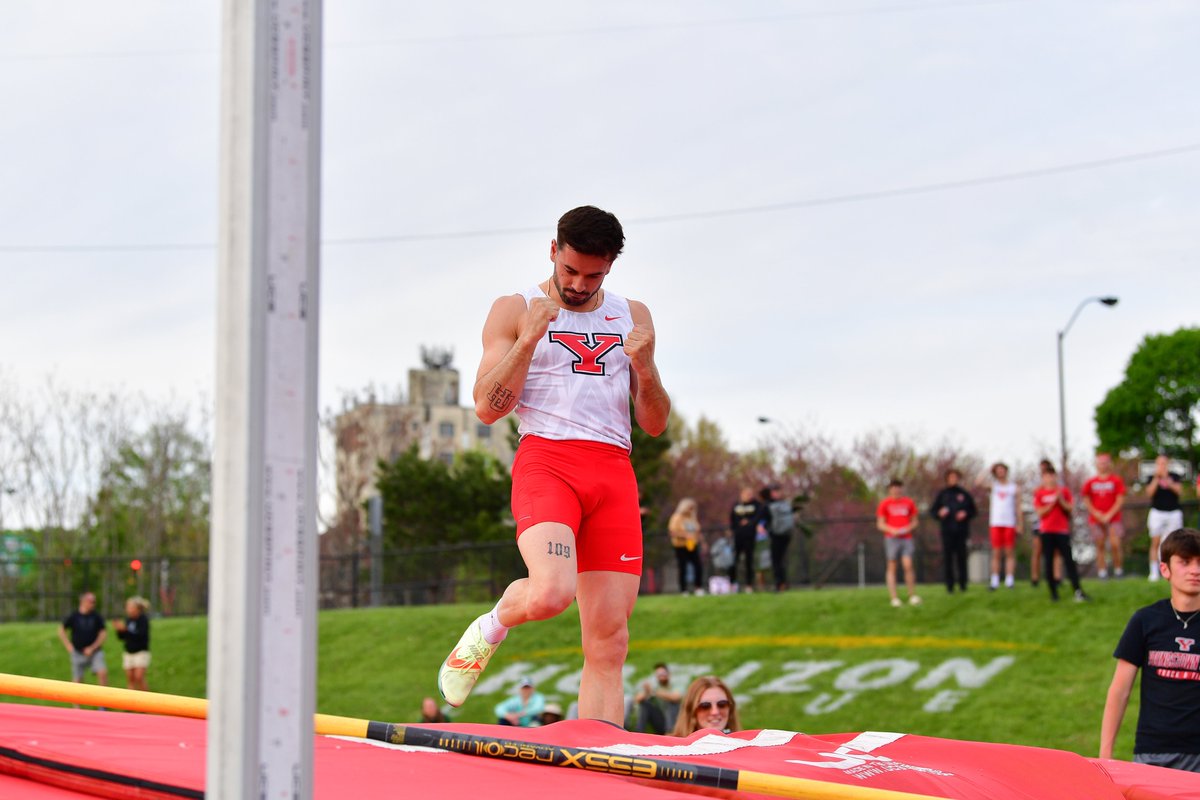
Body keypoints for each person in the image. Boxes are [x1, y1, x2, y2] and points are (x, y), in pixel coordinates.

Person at [436, 206, 670, 725]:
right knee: (551, 592)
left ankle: (599, 768)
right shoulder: (514, 308)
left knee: (609, 642)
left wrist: (646, 368)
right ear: (553, 251)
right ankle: (491, 626)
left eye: (594, 275)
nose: (580, 285)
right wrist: (526, 341)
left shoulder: (632, 314)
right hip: (549, 462)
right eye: (571, 271)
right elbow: (487, 406)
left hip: (613, 470)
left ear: (609, 268)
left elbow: (654, 423)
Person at [1100, 528, 1200, 771]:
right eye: (1185, 562)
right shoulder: (1146, 620)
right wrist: (1105, 755)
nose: (1195, 570)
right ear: (1165, 569)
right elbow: (1120, 690)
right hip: (1152, 752)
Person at [1033, 465, 1088, 603]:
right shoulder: (1040, 494)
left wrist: (1061, 500)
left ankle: (1078, 590)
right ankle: (1053, 593)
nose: (1050, 478)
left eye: (1052, 475)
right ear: (1043, 478)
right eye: (1046, 475)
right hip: (1046, 532)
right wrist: (1052, 503)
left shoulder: (1064, 491)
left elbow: (1070, 508)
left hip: (1062, 531)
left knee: (1069, 561)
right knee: (1049, 562)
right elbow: (1040, 512)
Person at [930, 468, 977, 594]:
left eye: (955, 477)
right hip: (947, 532)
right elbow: (933, 512)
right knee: (948, 559)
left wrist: (965, 513)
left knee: (962, 558)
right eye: (951, 477)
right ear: (947, 479)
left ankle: (963, 585)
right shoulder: (943, 494)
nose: (953, 479)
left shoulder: (964, 494)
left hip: (962, 532)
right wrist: (940, 513)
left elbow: (973, 511)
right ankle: (949, 587)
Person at [876, 479, 921, 607]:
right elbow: (880, 524)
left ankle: (912, 595)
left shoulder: (909, 502)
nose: (896, 489)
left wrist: (907, 528)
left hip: (906, 538)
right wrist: (891, 530)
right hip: (891, 539)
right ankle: (894, 598)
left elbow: (915, 521)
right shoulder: (884, 504)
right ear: (890, 489)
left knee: (908, 565)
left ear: (902, 488)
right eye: (894, 487)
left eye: (898, 487)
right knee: (892, 567)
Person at [1083, 452, 1127, 579]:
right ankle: (1102, 573)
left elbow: (1120, 499)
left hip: (1114, 518)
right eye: (1100, 463)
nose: (1103, 465)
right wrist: (1096, 513)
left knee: (1115, 544)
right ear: (1096, 465)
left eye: (1105, 462)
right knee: (1100, 545)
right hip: (1096, 519)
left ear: (1109, 464)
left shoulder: (1116, 480)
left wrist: (1109, 514)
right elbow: (1086, 499)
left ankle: (1118, 570)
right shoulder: (1090, 482)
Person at [1145, 455, 1184, 582]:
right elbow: (1149, 493)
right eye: (1159, 463)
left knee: (1174, 543)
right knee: (1155, 542)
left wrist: (1168, 480)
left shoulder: (1175, 476)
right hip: (1157, 512)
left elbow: (1179, 491)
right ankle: (1154, 573)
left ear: (1168, 464)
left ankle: (1173, 571)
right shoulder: (1151, 477)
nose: (1162, 465)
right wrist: (1157, 478)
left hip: (1173, 512)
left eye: (1164, 463)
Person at [57, 591, 108, 686]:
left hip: (95, 652)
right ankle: (77, 701)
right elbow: (61, 630)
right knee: (77, 680)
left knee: (102, 673)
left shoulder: (96, 616)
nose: (92, 604)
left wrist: (93, 647)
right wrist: (68, 646)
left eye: (94, 602)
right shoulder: (74, 616)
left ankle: (102, 700)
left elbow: (103, 633)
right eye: (90, 601)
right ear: (83, 601)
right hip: (77, 652)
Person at [986, 463, 1021, 590]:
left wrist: (1020, 524)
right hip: (995, 523)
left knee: (1009, 552)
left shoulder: (1014, 487)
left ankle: (1009, 580)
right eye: (998, 470)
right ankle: (994, 581)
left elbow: (1018, 507)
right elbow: (978, 482)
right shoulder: (993, 486)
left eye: (1003, 470)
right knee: (996, 552)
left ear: (1006, 471)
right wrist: (988, 469)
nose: (1000, 472)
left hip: (1009, 523)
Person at [671, 675, 741, 736]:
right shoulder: (669, 749)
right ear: (691, 710)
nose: (715, 712)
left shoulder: (744, 745)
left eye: (722, 704)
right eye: (705, 706)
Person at [628, 662, 683, 734]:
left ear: (668, 674)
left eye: (663, 673)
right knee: (645, 704)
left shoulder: (676, 684)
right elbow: (637, 699)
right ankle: (638, 734)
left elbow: (676, 697)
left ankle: (670, 733)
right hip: (661, 722)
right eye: (659, 674)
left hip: (674, 722)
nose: (661, 676)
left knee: (672, 704)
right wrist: (646, 692)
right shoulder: (654, 686)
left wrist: (654, 691)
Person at [729, 487, 765, 592]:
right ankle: (732, 584)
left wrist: (749, 522)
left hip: (750, 536)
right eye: (747, 493)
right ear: (742, 494)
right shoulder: (736, 505)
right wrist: (735, 528)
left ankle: (749, 585)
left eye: (751, 493)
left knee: (749, 561)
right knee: (735, 560)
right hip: (738, 536)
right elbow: (732, 520)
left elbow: (759, 517)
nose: (749, 495)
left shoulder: (757, 505)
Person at [112, 595, 150, 691]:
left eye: (131, 607)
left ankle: (146, 702)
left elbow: (140, 636)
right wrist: (119, 630)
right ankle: (131, 704)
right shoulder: (128, 620)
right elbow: (123, 637)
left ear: (138, 609)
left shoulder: (143, 620)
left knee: (139, 677)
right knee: (131, 679)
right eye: (127, 607)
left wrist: (125, 630)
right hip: (129, 652)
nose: (128, 609)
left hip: (140, 652)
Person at [668, 498, 704, 595]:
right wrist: (685, 535)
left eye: (693, 508)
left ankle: (698, 588)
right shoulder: (676, 517)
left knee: (698, 566)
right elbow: (672, 532)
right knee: (683, 567)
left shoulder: (692, 518)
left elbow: (697, 530)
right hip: (680, 546)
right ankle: (684, 590)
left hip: (692, 545)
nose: (691, 510)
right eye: (690, 508)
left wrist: (701, 540)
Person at [764, 485, 796, 591]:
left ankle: (779, 583)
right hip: (786, 533)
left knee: (776, 560)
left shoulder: (769, 505)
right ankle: (783, 583)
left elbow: (764, 519)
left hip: (776, 534)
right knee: (781, 559)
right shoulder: (785, 504)